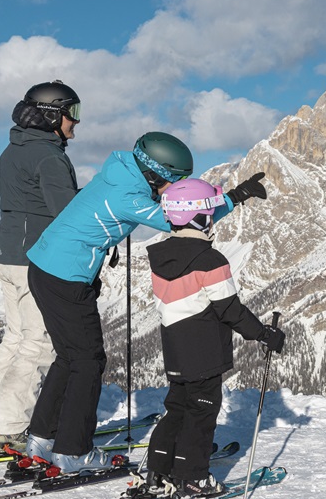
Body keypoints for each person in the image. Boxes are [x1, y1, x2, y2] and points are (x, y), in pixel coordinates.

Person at [23, 131, 269, 473]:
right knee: (87, 361)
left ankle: (43, 438)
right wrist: (234, 197)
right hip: (65, 277)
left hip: (47, 268)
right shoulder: (128, 194)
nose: (175, 189)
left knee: (70, 357)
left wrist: (236, 194)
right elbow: (184, 219)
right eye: (174, 181)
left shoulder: (121, 171)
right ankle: (73, 452)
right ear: (156, 174)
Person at [135, 178, 284, 499]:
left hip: (174, 348)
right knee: (201, 415)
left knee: (175, 410)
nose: (212, 218)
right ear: (199, 218)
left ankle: (159, 471)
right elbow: (229, 310)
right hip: (203, 351)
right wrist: (264, 335)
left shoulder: (161, 257)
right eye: (209, 213)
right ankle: (194, 477)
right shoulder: (211, 260)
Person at [0, 80, 82, 450]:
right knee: (39, 344)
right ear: (53, 113)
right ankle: (12, 428)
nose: (76, 122)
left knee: (15, 339)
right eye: (73, 112)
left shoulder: (14, 149)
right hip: (38, 258)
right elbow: (66, 214)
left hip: (9, 255)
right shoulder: (49, 156)